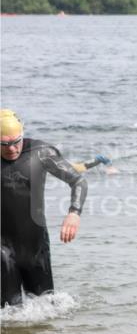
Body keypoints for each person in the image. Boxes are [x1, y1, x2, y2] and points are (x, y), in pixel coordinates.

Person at [1, 109, 87, 307]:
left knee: (46, 308)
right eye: (3, 144)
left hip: (35, 246)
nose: (11, 149)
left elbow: (78, 181)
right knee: (8, 313)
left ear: (22, 133)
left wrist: (74, 213)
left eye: (16, 141)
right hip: (2, 248)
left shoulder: (41, 152)